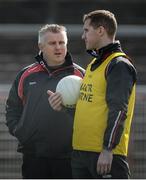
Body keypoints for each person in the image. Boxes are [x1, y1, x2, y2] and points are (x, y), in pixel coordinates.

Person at [48, 10, 137, 179]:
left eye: (86, 30)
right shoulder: (93, 65)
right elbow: (88, 108)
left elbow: (119, 111)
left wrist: (107, 149)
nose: (83, 36)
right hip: (81, 153)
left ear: (101, 30)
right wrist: (64, 108)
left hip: (104, 156)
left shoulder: (118, 64)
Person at [5, 24, 84, 179]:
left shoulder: (81, 76)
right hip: (34, 155)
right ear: (41, 46)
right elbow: (12, 108)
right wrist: (21, 132)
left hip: (70, 156)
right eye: (52, 43)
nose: (58, 47)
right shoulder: (26, 75)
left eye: (62, 43)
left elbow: (89, 112)